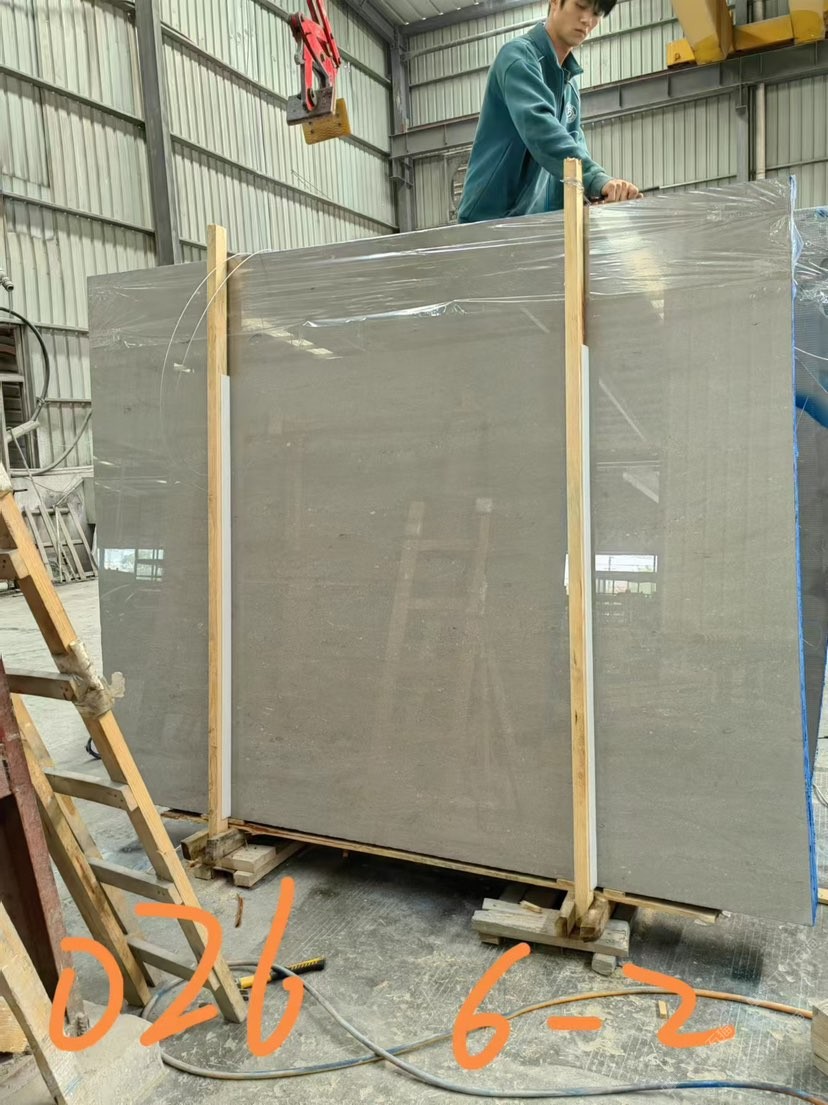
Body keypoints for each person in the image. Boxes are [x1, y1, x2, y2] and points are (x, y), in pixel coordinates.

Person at [457, 0, 640, 223]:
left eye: (597, 13)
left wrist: (598, 194)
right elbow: (542, 132)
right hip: (488, 220)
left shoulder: (569, 86)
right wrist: (595, 178)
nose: (587, 20)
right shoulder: (518, 59)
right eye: (580, 5)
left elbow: (573, 148)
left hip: (533, 224)